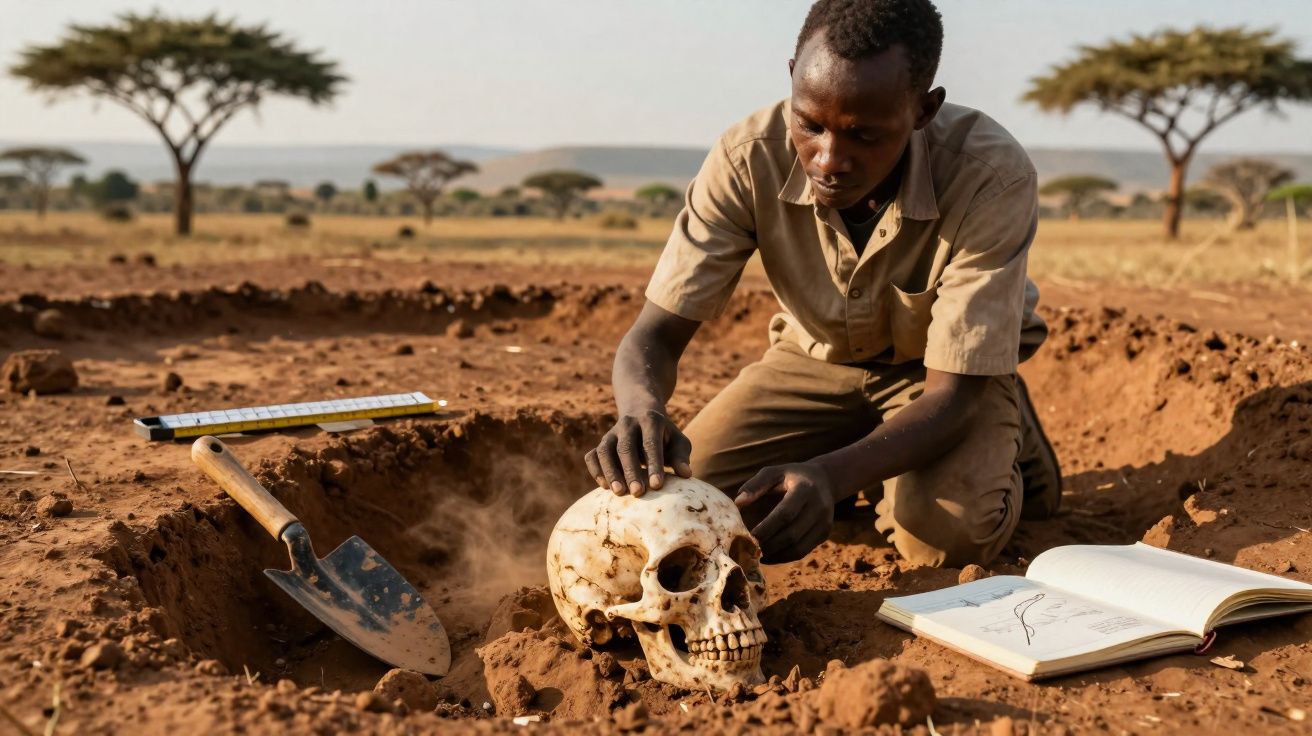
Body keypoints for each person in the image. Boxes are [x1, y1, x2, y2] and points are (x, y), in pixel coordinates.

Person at [584, 0, 1060, 568]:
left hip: (939, 377)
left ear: (924, 111)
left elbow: (951, 395)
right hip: (812, 358)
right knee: (693, 496)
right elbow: (654, 336)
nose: (829, 159)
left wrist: (828, 475)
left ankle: (1010, 432)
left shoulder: (990, 176)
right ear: (791, 78)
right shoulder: (745, 158)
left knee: (941, 541)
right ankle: (864, 453)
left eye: (864, 135)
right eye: (810, 124)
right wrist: (640, 409)